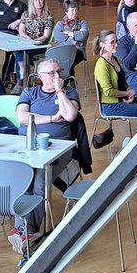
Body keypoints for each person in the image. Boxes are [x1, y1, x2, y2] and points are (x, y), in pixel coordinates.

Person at [13, 58, 82, 252]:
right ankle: (24, 231)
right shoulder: (30, 93)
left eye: (59, 71)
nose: (57, 76)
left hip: (59, 150)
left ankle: (27, 231)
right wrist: (51, 118)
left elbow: (69, 116)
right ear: (40, 77)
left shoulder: (68, 92)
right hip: (28, 148)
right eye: (52, 73)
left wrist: (60, 91)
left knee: (38, 182)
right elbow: (22, 118)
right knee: (22, 180)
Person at [94, 30, 137, 120]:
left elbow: (123, 82)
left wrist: (129, 93)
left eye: (116, 41)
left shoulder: (116, 59)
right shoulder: (101, 65)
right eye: (112, 42)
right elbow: (108, 92)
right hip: (111, 105)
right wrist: (127, 93)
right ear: (102, 44)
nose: (116, 44)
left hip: (123, 99)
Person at [16, 0, 53, 80]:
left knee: (23, 53)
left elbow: (46, 36)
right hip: (26, 41)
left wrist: (33, 41)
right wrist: (28, 39)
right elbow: (21, 31)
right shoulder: (25, 14)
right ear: (32, 2)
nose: (38, 2)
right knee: (19, 50)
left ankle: (22, 78)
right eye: (36, 0)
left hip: (39, 44)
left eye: (40, 0)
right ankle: (22, 73)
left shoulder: (48, 17)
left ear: (44, 1)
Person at [51, 0, 89, 73]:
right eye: (72, 10)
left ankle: (64, 83)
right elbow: (58, 37)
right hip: (62, 51)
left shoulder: (83, 23)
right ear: (66, 12)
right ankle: (72, 83)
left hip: (78, 52)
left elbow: (84, 36)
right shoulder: (60, 24)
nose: (75, 12)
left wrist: (68, 33)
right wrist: (76, 36)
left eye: (76, 10)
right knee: (66, 61)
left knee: (67, 62)